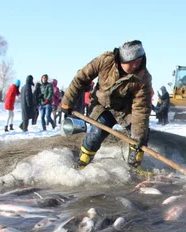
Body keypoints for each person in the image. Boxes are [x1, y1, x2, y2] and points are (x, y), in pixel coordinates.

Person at [60, 39, 153, 169]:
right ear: (122, 60)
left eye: (138, 61)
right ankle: (83, 161)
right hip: (102, 106)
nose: (135, 66)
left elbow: (141, 108)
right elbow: (81, 78)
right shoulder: (105, 60)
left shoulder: (143, 78)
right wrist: (67, 102)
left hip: (127, 111)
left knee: (138, 137)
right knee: (96, 134)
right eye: (132, 62)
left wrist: (138, 136)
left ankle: (134, 165)